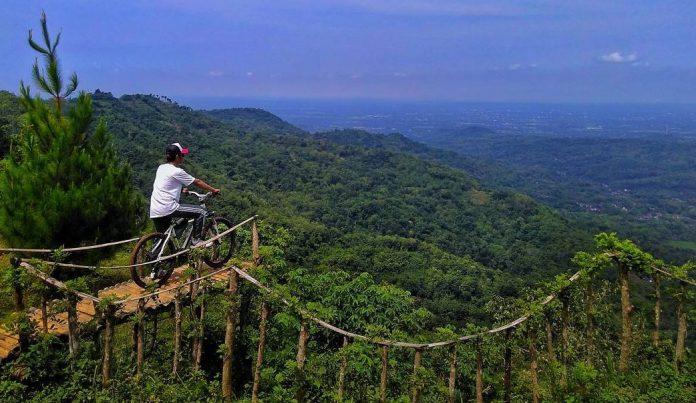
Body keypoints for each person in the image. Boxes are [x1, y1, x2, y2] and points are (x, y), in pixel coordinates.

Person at [149, 142, 220, 244]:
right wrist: (213, 190)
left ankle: (155, 257)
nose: (183, 157)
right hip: (168, 207)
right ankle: (196, 240)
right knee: (200, 212)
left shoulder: (161, 168)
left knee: (162, 238)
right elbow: (197, 182)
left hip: (155, 209)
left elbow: (165, 185)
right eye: (182, 155)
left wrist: (181, 190)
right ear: (177, 156)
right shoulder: (177, 171)